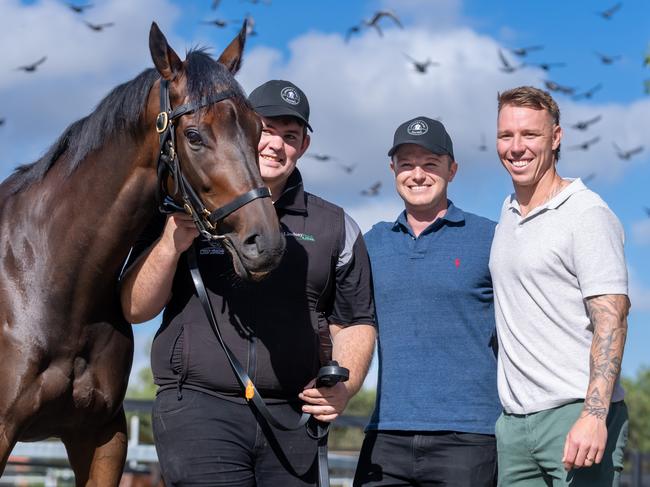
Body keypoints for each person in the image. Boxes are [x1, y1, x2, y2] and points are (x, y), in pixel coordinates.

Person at [120, 79, 377, 487]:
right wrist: (171, 244)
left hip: (294, 418)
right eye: (267, 130)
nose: (276, 144)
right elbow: (136, 308)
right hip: (200, 409)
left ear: (303, 147)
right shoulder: (181, 208)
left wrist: (342, 388)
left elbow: (356, 320)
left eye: (290, 136)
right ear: (242, 130)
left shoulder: (336, 226)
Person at [491, 86, 630, 486]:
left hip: (574, 418)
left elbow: (612, 319)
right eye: (506, 135)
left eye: (529, 135)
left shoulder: (586, 213)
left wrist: (593, 415)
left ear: (555, 138)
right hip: (515, 427)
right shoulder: (508, 213)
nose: (516, 147)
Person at [354, 116, 501, 487]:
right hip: (386, 434)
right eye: (406, 164)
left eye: (430, 163)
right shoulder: (371, 244)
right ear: (393, 170)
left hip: (469, 438)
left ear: (452, 169)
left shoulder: (492, 238)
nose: (417, 174)